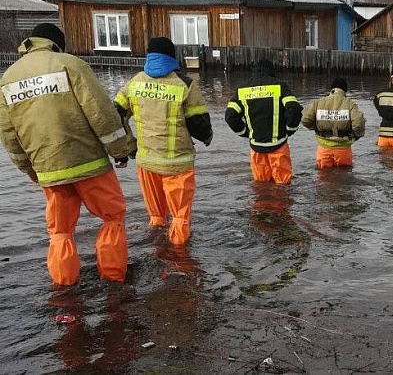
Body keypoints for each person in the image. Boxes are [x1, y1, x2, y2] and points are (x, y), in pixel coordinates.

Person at [0, 24, 132, 286]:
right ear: (57, 44)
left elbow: (9, 135)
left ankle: (64, 287)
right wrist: (120, 150)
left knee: (60, 231)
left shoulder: (8, 78)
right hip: (89, 163)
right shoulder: (70, 65)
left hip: (48, 170)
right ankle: (114, 280)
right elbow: (100, 113)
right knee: (112, 218)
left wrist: (30, 170)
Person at [114, 37, 212, 245]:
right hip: (178, 163)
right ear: (172, 56)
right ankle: (180, 257)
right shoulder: (185, 84)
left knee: (157, 217)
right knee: (179, 218)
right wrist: (207, 137)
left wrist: (129, 145)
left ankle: (157, 250)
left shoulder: (134, 82)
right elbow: (198, 123)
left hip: (147, 162)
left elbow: (115, 115)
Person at [225, 61, 302, 184]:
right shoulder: (280, 86)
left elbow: (230, 116)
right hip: (279, 145)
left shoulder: (242, 89)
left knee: (260, 186)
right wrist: (290, 129)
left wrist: (244, 132)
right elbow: (294, 109)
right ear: (271, 71)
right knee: (283, 185)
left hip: (256, 147)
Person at [301, 78, 365, 169]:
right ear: (345, 90)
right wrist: (356, 135)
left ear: (331, 89)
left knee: (324, 175)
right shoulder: (350, 104)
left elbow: (305, 119)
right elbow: (358, 124)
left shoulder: (318, 103)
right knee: (343, 175)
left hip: (323, 148)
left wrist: (315, 127)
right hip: (343, 148)